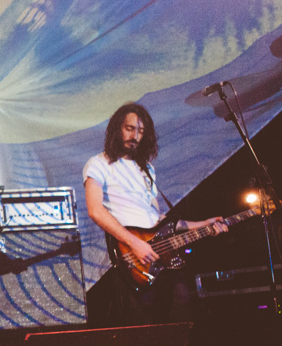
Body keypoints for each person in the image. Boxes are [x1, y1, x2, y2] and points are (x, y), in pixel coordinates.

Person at [83, 102, 226, 324]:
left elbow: (158, 220)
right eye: (129, 129)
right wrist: (135, 243)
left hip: (162, 255)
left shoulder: (147, 168)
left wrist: (203, 224)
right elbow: (95, 210)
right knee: (142, 325)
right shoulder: (98, 163)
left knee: (182, 320)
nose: (135, 136)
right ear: (116, 129)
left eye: (141, 131)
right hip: (132, 257)